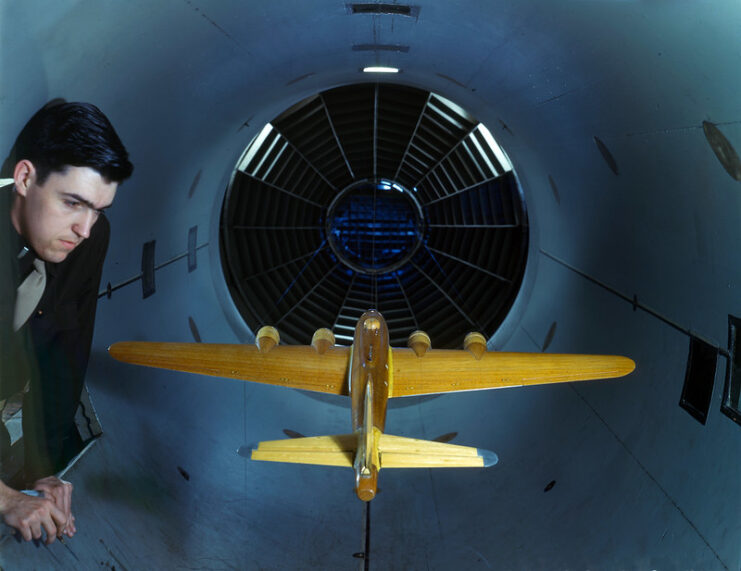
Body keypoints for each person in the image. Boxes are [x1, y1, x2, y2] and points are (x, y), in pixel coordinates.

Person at [0, 101, 133, 543]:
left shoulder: (88, 241)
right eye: (73, 203)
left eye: (99, 209)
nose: (85, 229)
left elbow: (65, 357)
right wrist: (5, 499)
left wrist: (44, 472)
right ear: (23, 178)